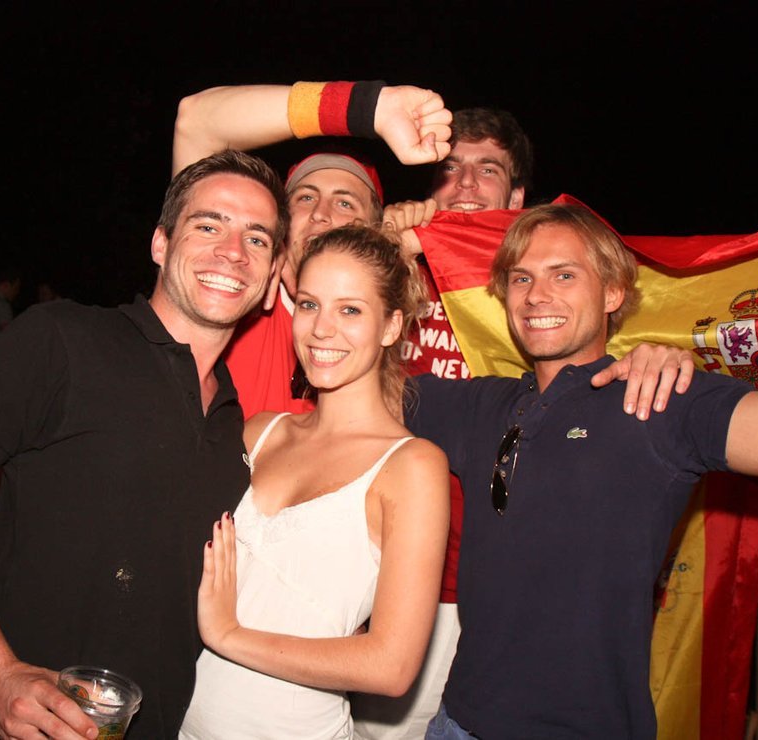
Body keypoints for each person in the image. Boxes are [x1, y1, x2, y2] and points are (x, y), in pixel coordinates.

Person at [0, 150, 290, 739]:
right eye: (208, 226)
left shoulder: (235, 427)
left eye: (256, 239)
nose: (232, 252)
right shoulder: (64, 340)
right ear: (160, 243)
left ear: (272, 279)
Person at [410, 203, 758, 739]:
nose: (536, 295)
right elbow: (351, 372)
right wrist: (394, 242)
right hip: (456, 724)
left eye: (564, 275)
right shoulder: (480, 405)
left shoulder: (662, 400)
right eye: (521, 278)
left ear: (613, 293)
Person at [179, 225, 450, 739]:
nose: (322, 329)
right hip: (182, 722)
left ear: (391, 326)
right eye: (309, 305)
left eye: (350, 310)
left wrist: (228, 635)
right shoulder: (260, 432)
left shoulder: (412, 466)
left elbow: (391, 666)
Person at [353, 107, 535, 740]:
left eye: (488, 170)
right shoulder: (399, 267)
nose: (465, 184)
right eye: (450, 169)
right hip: (375, 568)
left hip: (488, 586)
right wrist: (385, 239)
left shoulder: (540, 294)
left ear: (516, 198)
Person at [172, 81, 453, 418]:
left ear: (372, 228)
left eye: (345, 203)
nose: (321, 213)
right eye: (305, 197)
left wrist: (397, 246)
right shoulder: (237, 290)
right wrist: (371, 108)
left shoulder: (375, 337)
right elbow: (196, 122)